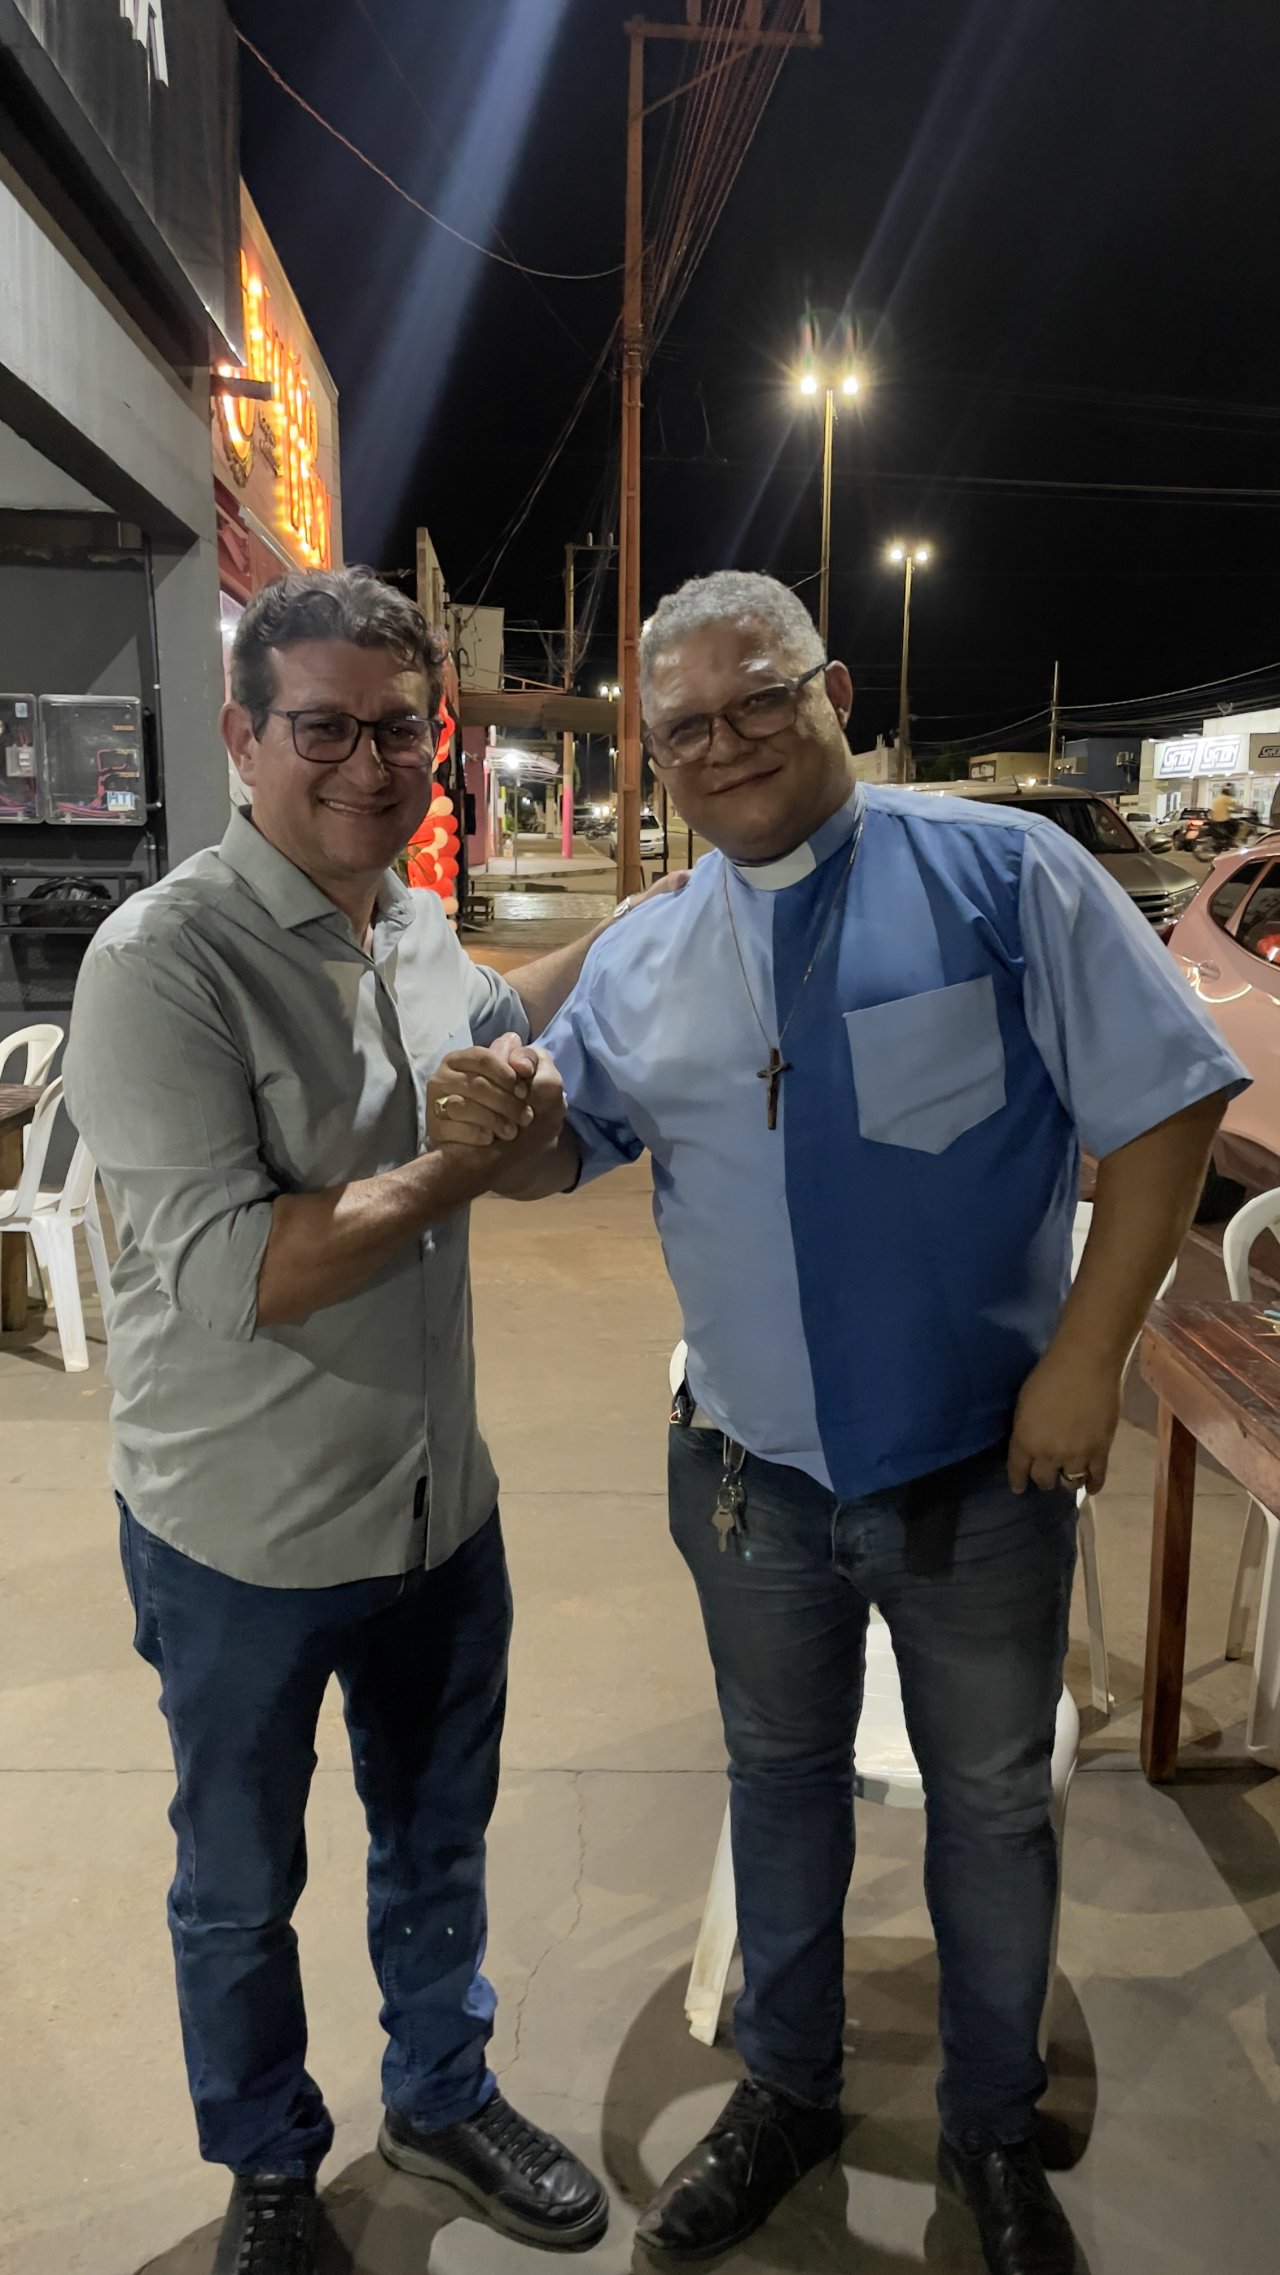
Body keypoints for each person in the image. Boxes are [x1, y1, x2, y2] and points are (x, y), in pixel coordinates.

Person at [425, 570, 1248, 2275]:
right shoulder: (651, 952)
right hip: (751, 1482)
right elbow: (563, 1152)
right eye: (684, 729)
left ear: (836, 693)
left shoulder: (1005, 876)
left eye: (761, 699)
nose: (726, 744)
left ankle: (991, 2126)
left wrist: (1088, 1357)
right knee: (779, 1785)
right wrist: (493, 1130)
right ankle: (789, 2089)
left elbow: (1171, 1104)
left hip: (980, 1470)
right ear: (655, 760)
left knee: (993, 1808)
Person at [62, 566, 673, 2275]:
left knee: (435, 1845)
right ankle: (270, 2168)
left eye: (401, 731)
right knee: (238, 1883)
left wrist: (640, 932)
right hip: (240, 1538)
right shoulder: (161, 963)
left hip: (434, 1512)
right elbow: (236, 1273)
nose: (369, 763)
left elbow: (485, 1020)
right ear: (243, 736)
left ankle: (440, 2096)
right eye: (323, 729)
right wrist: (458, 1167)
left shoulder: (405, 919)